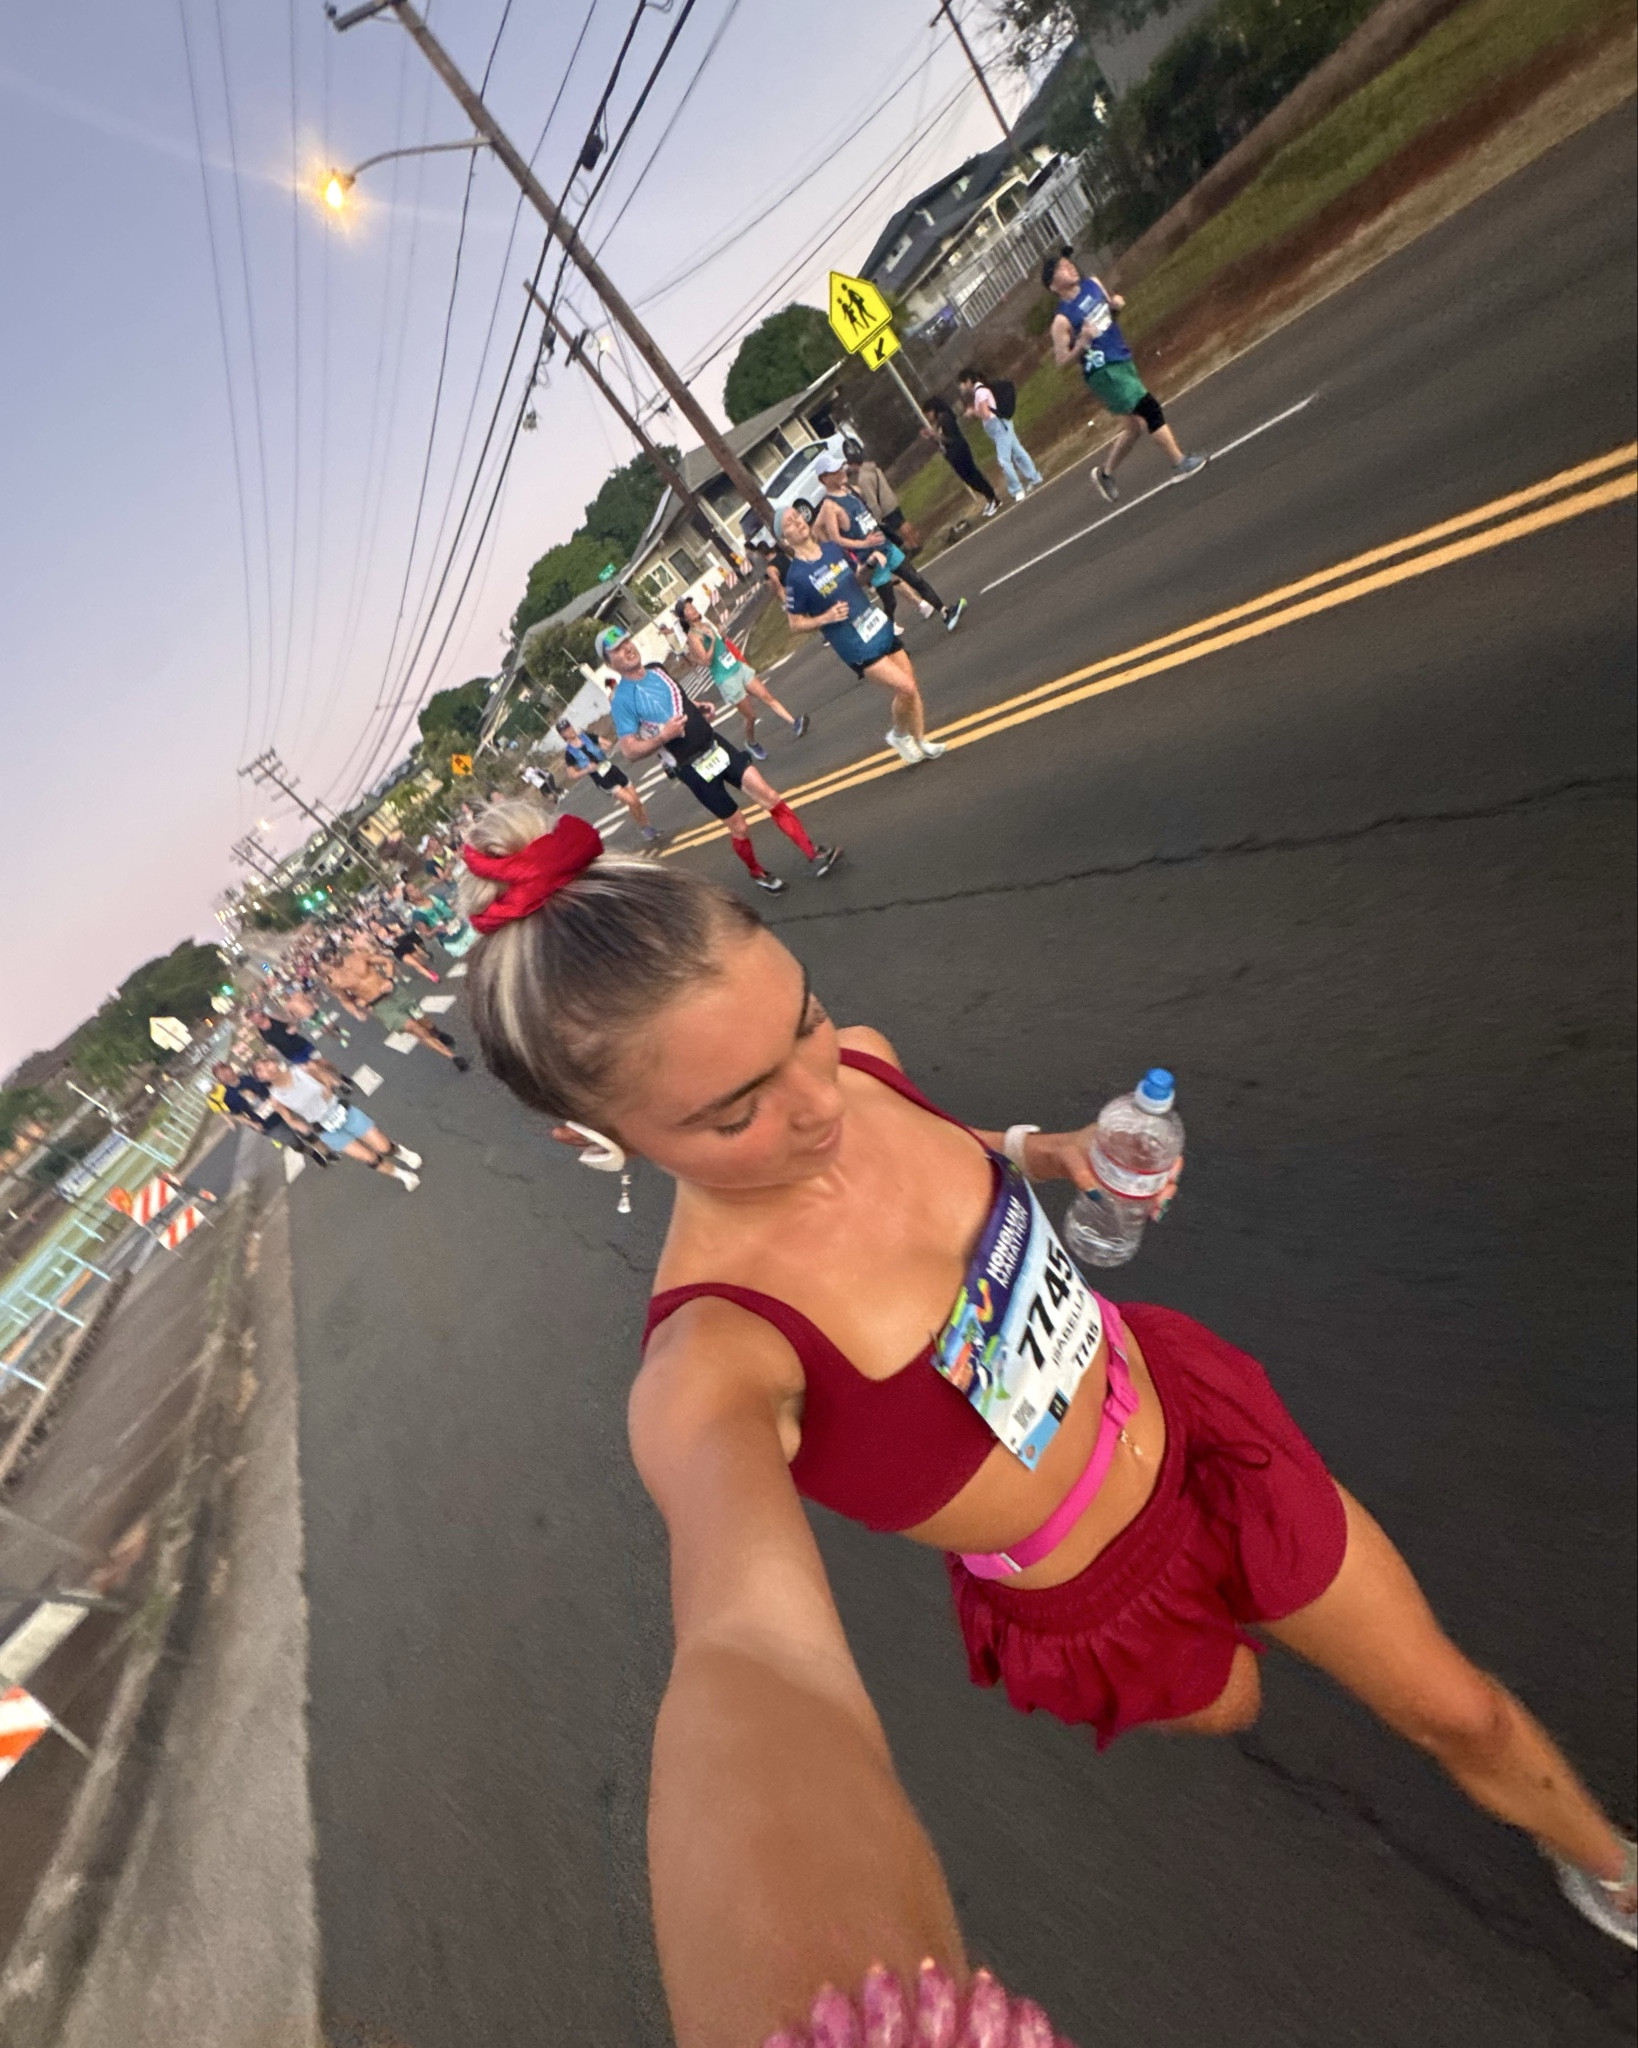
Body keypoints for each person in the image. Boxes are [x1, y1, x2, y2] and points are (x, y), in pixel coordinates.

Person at [453, 818, 1637, 2037]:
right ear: (593, 1139)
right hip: (1089, 1594)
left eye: (801, 1019)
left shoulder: (859, 1065)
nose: (820, 1107)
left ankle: (1609, 1861)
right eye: (736, 1110)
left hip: (1193, 1423)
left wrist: (1046, 1150)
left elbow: (928, 1129)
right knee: (1232, 1700)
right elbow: (749, 1655)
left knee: (1457, 1707)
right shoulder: (712, 1357)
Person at [599, 626, 839, 895]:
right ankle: (757, 872)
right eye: (617, 649)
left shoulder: (657, 669)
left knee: (769, 795)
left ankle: (812, 853)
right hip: (691, 767)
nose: (627, 648)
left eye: (627, 641)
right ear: (610, 663)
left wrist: (698, 706)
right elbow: (630, 750)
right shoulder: (621, 701)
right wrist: (663, 736)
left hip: (715, 745)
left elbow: (677, 700)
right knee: (740, 826)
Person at [778, 505, 946, 769]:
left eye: (797, 516)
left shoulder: (832, 549)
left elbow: (857, 580)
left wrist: (868, 565)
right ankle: (901, 736)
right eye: (789, 522)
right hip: (853, 643)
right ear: (783, 538)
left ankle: (918, 739)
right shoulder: (796, 578)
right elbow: (795, 623)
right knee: (906, 687)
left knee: (910, 686)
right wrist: (825, 618)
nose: (798, 522)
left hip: (875, 623)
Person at [1043, 245, 1207, 500]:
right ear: (1053, 286)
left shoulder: (1093, 284)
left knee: (1133, 427)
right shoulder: (1061, 320)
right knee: (1149, 408)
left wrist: (1115, 307)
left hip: (1120, 355)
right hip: (1102, 370)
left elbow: (1107, 318)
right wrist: (1083, 341)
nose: (1070, 267)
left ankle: (1105, 474)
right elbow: (1061, 360)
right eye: (1061, 268)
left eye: (1069, 263)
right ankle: (1180, 462)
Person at [809, 443, 966, 634]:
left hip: (885, 546)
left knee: (915, 578)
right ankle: (888, 634)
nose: (841, 471)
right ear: (824, 478)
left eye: (840, 467)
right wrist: (862, 545)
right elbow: (835, 539)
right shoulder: (829, 507)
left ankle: (945, 612)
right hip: (871, 559)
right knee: (889, 601)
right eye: (835, 471)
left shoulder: (851, 489)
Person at [250, 1055, 422, 1188]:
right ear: (261, 1079)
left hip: (341, 1111)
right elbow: (290, 1119)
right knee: (369, 1158)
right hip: (325, 1129)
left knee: (384, 1147)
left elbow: (325, 1075)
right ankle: (404, 1176)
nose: (267, 1069)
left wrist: (328, 1086)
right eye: (261, 1071)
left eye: (266, 1064)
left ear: (273, 1062)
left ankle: (400, 1152)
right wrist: (303, 1128)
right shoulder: (276, 1099)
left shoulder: (303, 1069)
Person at [675, 597, 808, 760]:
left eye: (692, 606)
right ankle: (751, 743)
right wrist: (713, 642)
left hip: (737, 667)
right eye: (688, 609)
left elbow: (722, 641)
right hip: (726, 678)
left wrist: (721, 636)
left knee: (767, 697)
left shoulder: (707, 625)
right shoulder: (693, 637)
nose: (693, 609)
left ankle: (795, 723)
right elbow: (706, 661)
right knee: (750, 716)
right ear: (684, 617)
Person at [323, 936, 468, 1067]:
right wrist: (356, 1012)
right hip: (380, 1006)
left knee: (426, 1024)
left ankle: (437, 1032)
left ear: (338, 952)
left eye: (334, 955)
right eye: (329, 960)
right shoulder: (334, 982)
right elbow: (344, 1000)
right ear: (327, 964)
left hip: (395, 993)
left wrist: (389, 978)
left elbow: (387, 961)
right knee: (416, 1029)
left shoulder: (358, 957)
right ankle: (453, 1057)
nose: (334, 960)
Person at [556, 717, 662, 845]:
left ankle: (648, 827)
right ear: (562, 735)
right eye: (565, 730)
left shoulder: (586, 737)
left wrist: (605, 746)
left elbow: (606, 743)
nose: (569, 731)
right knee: (631, 800)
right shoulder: (569, 753)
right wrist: (586, 770)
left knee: (636, 801)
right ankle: (644, 828)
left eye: (569, 727)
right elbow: (571, 774)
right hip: (601, 778)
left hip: (611, 769)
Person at [958, 367, 1042, 503]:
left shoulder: (980, 392)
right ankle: (1034, 477)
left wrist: (973, 412)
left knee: (1003, 460)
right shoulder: (982, 391)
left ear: (968, 381)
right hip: (1002, 424)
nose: (961, 387)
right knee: (1017, 451)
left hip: (998, 427)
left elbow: (985, 413)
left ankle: (1017, 489)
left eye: (961, 383)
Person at [920, 395, 999, 517]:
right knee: (968, 479)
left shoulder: (946, 418)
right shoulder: (939, 422)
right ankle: (989, 497)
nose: (928, 416)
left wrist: (935, 434)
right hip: (952, 455)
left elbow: (951, 438)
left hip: (959, 451)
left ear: (934, 409)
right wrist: (931, 437)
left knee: (973, 475)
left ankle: (993, 497)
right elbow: (940, 442)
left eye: (928, 413)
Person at [244, 1007, 348, 1093]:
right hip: (291, 1054)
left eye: (253, 1016)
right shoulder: (259, 1032)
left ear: (258, 1013)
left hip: (301, 1045)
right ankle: (336, 1084)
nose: (254, 1019)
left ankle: (339, 1076)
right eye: (251, 1019)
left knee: (323, 1063)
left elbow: (292, 1021)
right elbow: (268, 1044)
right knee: (313, 1068)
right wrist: (271, 1049)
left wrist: (294, 1027)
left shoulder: (272, 1017)